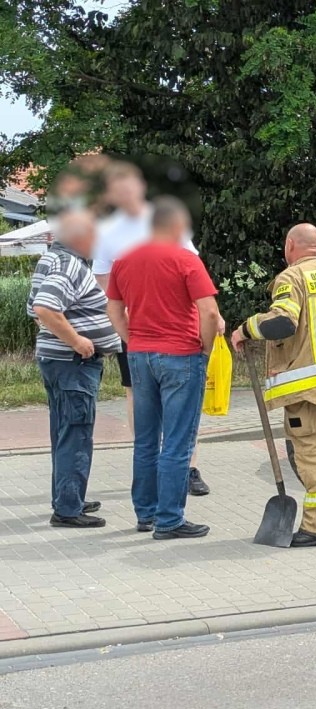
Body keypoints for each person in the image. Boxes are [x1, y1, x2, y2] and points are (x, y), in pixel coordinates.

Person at [230, 223, 316, 548]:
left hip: (307, 389)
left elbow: (283, 323)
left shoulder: (292, 278)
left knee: (313, 452)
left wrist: (245, 329)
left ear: (291, 245)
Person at [94, 161, 214, 497]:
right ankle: (163, 499)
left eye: (130, 185)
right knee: (147, 406)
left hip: (168, 331)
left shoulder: (166, 219)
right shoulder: (107, 233)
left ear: (141, 186)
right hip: (140, 333)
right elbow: (109, 293)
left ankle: (183, 471)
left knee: (179, 412)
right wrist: (132, 335)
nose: (126, 193)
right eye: (118, 188)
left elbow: (195, 277)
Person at [106, 197, 220, 540]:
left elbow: (113, 310)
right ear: (176, 227)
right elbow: (211, 314)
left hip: (139, 355)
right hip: (181, 356)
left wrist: (133, 339)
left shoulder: (123, 261)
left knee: (145, 440)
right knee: (177, 441)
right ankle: (170, 520)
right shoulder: (186, 259)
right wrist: (206, 348)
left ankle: (146, 514)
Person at [27, 210, 123, 529]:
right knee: (76, 433)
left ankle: (69, 496)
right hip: (73, 363)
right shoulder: (68, 264)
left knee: (64, 430)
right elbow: (44, 308)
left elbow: (34, 309)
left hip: (56, 361)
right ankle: (68, 508)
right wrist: (77, 340)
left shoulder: (50, 260)